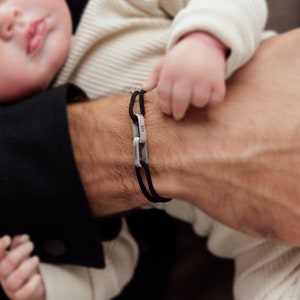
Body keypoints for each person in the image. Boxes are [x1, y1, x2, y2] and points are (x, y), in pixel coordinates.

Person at [1, 0, 300, 299]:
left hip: (283, 90)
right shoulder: (47, 164)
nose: (6, 17)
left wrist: (205, 38)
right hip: (259, 239)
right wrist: (47, 286)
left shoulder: (113, 8)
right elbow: (116, 257)